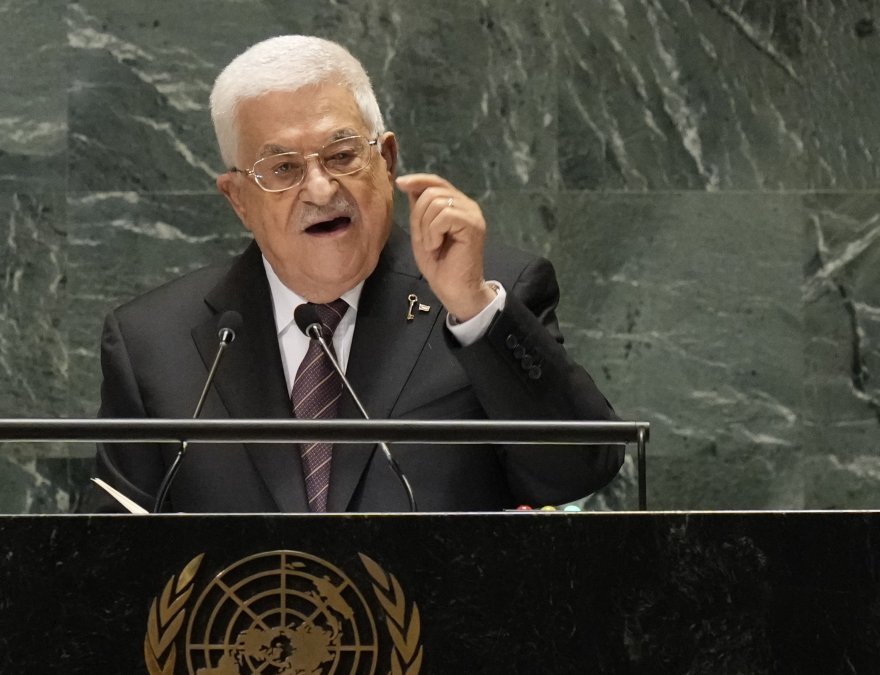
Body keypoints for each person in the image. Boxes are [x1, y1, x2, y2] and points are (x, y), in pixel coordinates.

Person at [91, 35, 622, 513]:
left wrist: (475, 310)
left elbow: (578, 471)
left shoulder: (487, 297)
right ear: (238, 199)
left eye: (342, 155)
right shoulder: (153, 344)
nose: (321, 190)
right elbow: (106, 557)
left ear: (386, 161)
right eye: (283, 169)